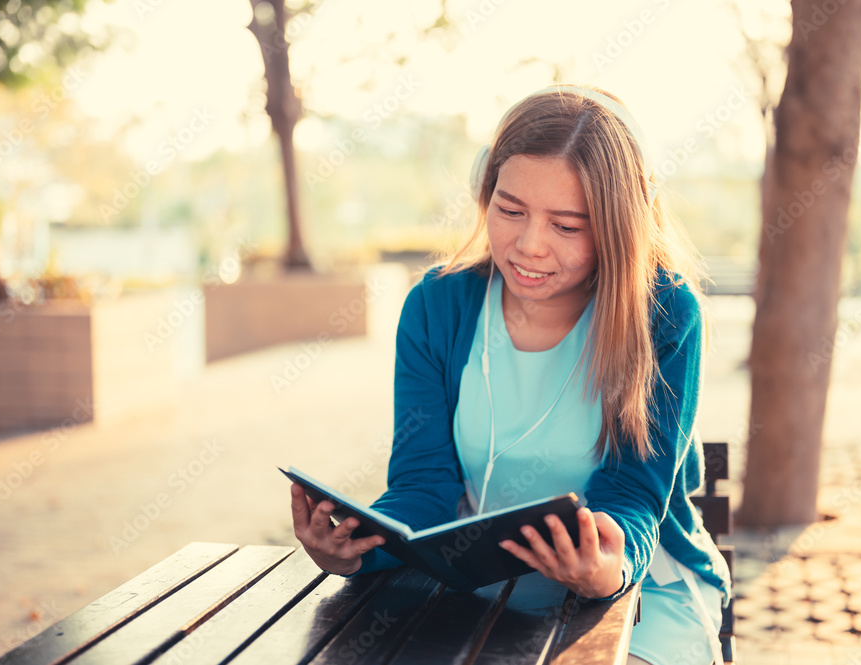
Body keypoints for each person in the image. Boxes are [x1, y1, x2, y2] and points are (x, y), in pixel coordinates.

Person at [289, 85, 732, 665]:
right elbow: (422, 486)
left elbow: (632, 494)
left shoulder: (665, 316)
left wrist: (606, 570)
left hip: (641, 591)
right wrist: (354, 549)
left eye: (567, 226)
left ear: (619, 227)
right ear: (485, 195)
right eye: (510, 210)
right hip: (476, 587)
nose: (528, 245)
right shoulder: (438, 306)